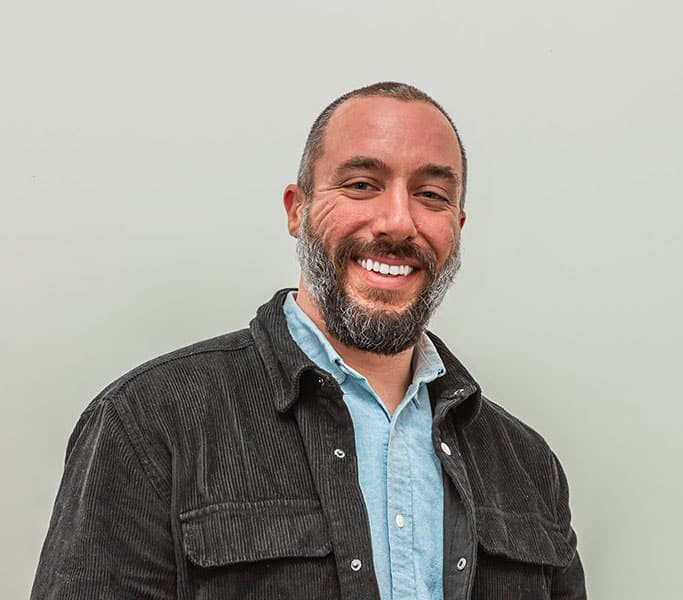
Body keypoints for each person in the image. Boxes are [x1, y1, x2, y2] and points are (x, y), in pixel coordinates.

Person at [31, 82, 587, 599]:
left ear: (457, 228)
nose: (398, 222)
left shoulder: (529, 466)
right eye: (362, 185)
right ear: (297, 209)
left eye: (431, 195)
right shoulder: (149, 423)